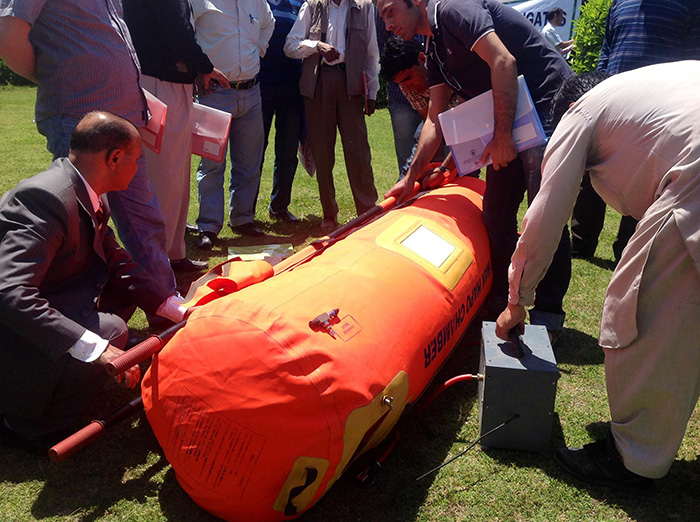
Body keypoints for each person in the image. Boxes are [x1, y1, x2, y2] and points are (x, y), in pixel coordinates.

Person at [496, 62, 700, 491]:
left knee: (641, 308)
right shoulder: (640, 92)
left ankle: (633, 460)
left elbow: (546, 214)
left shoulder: (582, 112)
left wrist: (517, 300)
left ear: (568, 106)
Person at [378, 0, 573, 340]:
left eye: (391, 11)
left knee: (543, 208)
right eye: (382, 16)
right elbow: (434, 119)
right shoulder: (433, 46)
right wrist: (409, 180)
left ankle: (549, 312)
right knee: (496, 213)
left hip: (547, 101)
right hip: (514, 111)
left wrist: (501, 137)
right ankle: (502, 300)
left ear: (417, 3)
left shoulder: (455, 9)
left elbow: (503, 60)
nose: (387, 23)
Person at [0, 112, 187, 453]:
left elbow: (116, 261)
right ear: (114, 158)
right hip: (13, 337)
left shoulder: (85, 189)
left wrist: (179, 309)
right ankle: (30, 423)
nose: (138, 168)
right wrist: (94, 347)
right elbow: (10, 294)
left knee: (116, 301)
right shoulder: (46, 199)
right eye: (136, 159)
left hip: (51, 302)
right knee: (111, 329)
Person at [0, 0, 177, 297]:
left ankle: (164, 300)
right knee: (81, 228)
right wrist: (56, 74)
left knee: (143, 216)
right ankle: (82, 312)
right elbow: (8, 36)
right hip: (75, 118)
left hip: (122, 123)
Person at [570, 0, 700, 262]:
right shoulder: (620, 2)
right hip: (614, 102)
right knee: (593, 166)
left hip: (659, 108)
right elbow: (607, 49)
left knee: (646, 178)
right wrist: (600, 86)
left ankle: (628, 249)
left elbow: (693, 60)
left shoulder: (689, 5)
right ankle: (581, 242)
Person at [123, 0, 229, 273]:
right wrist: (205, 67)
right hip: (159, 84)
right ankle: (157, 261)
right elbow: (175, 32)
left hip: (172, 84)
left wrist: (198, 70)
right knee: (164, 179)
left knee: (176, 177)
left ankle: (173, 253)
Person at [284, 0, 380, 230]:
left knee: (358, 150)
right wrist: (316, 46)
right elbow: (290, 46)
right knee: (322, 151)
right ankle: (329, 213)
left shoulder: (364, 7)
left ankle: (366, 210)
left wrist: (373, 92)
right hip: (318, 83)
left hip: (352, 83)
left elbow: (371, 52)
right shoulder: (312, 5)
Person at [190, 0, 275, 247]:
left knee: (249, 162)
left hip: (251, 90)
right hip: (214, 93)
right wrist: (198, 68)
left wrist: (258, 50)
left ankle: (242, 218)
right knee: (212, 163)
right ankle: (208, 225)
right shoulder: (202, 2)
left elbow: (268, 25)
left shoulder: (257, 2)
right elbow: (188, 33)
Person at [380, 35, 461, 178]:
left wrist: (444, 168)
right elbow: (428, 121)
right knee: (416, 162)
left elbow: (466, 131)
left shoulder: (448, 66)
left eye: (408, 79)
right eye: (401, 83)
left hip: (463, 118)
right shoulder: (405, 84)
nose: (408, 87)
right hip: (436, 118)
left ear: (423, 59)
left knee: (462, 168)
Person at [260, 0, 305, 224]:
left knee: (288, 153)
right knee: (254, 153)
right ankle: (244, 212)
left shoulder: (300, 3)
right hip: (260, 86)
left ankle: (279, 207)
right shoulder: (258, 3)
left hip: (292, 88)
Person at [376, 12, 424, 179]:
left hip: (434, 85)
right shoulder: (405, 85)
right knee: (408, 154)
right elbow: (385, 50)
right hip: (401, 99)